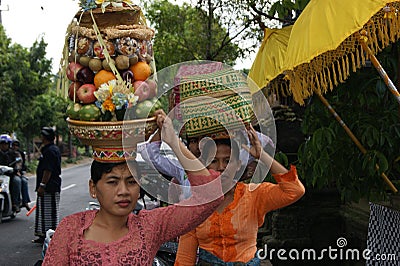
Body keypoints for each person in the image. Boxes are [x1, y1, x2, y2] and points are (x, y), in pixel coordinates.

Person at [42, 110, 224, 265]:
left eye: (131, 182)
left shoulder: (150, 226)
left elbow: (211, 195)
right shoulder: (70, 228)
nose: (123, 191)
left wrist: (173, 142)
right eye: (112, 182)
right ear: (93, 188)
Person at [174, 125, 306, 265]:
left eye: (227, 160)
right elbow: (184, 259)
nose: (221, 167)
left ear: (238, 165)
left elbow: (295, 191)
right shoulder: (195, 206)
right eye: (213, 161)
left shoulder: (253, 195)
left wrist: (262, 155)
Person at [33, 127, 62, 244]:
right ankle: (43, 235)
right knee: (43, 211)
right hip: (48, 185)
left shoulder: (50, 151)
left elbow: (48, 170)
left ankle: (50, 235)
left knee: (50, 212)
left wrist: (42, 185)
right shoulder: (49, 149)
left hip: (50, 186)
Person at [0, 134, 22, 213]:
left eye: (5, 144)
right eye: (2, 143)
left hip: (10, 175)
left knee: (17, 181)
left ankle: (15, 203)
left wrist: (17, 168)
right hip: (0, 175)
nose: (3, 145)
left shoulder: (14, 153)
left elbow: (19, 162)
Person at [10, 139, 31, 211]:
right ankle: (15, 202)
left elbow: (21, 165)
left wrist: (20, 171)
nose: (15, 147)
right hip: (9, 173)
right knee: (17, 181)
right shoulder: (9, 153)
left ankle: (25, 202)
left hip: (17, 173)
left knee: (24, 181)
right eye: (13, 145)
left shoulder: (20, 154)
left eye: (16, 145)